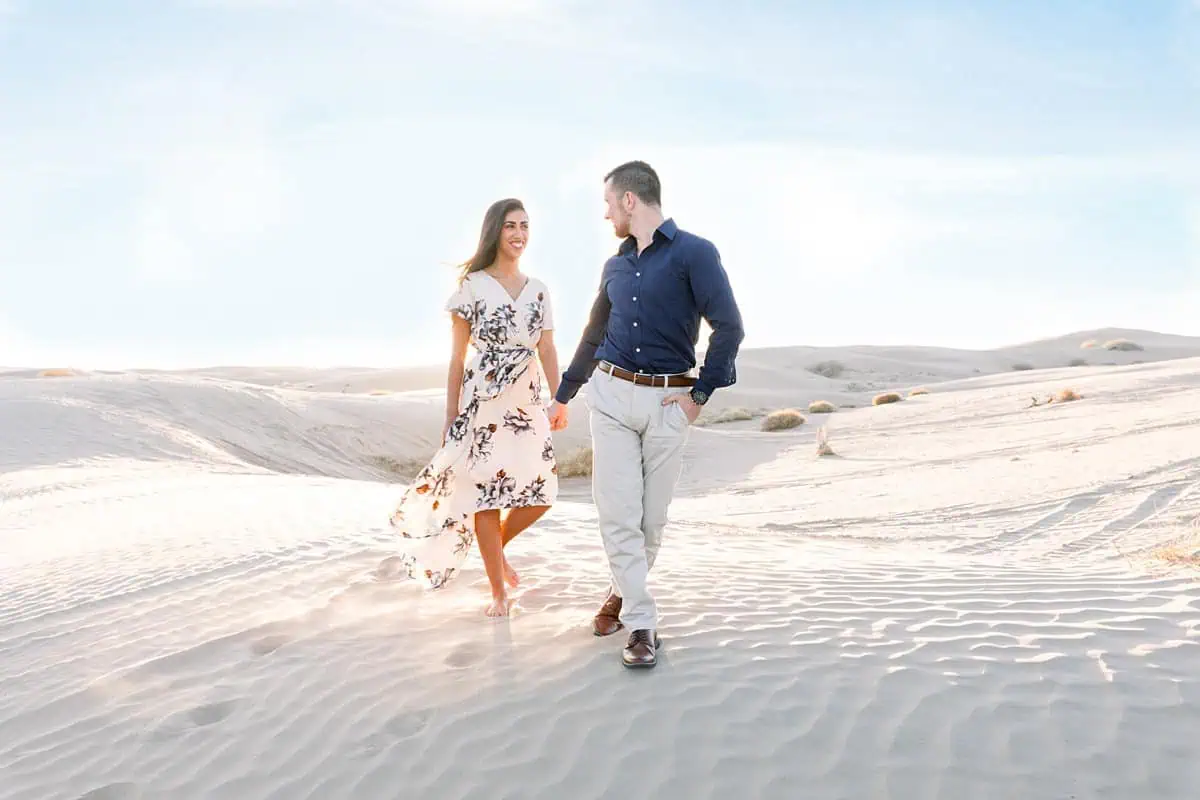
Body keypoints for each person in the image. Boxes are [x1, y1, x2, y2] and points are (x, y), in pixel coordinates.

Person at [546, 161, 744, 668]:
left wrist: (699, 396)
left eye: (610, 203)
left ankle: (619, 592)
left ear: (630, 201)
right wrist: (565, 394)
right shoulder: (615, 266)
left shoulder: (695, 254)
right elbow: (594, 334)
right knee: (617, 515)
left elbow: (729, 328)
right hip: (610, 397)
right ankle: (641, 623)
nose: (607, 213)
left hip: (667, 403)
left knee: (649, 523)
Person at [389, 198, 561, 618]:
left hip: (527, 400)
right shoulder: (472, 287)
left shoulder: (539, 290)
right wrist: (451, 415)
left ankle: (495, 547)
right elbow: (456, 359)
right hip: (482, 402)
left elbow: (548, 348)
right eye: (510, 226)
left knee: (542, 492)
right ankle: (498, 592)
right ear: (494, 232)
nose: (519, 234)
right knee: (487, 495)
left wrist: (560, 399)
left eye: (524, 225)